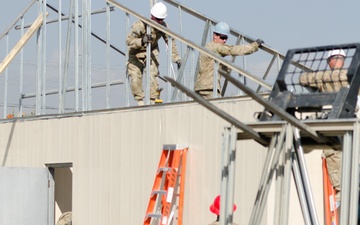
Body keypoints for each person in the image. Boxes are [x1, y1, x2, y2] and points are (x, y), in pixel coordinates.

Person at [299, 49, 348, 211]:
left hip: (334, 126)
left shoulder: (325, 77)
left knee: (334, 155)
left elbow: (302, 79)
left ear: (330, 61)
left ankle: (340, 198)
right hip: (351, 123)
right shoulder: (352, 76)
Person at [126, 2, 182, 105]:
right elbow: (129, 41)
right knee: (135, 77)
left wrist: (176, 57)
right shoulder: (140, 25)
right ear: (152, 16)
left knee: (153, 74)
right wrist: (142, 41)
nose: (159, 22)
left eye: (161, 20)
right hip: (136, 52)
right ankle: (140, 102)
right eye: (158, 19)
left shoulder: (163, 26)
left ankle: (153, 100)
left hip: (151, 51)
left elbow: (170, 41)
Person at [194, 22, 264, 99]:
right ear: (215, 35)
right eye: (222, 37)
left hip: (201, 88)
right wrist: (254, 46)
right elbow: (233, 50)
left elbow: (213, 66)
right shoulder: (216, 47)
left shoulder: (208, 47)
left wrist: (226, 68)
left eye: (226, 38)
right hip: (209, 88)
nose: (224, 41)